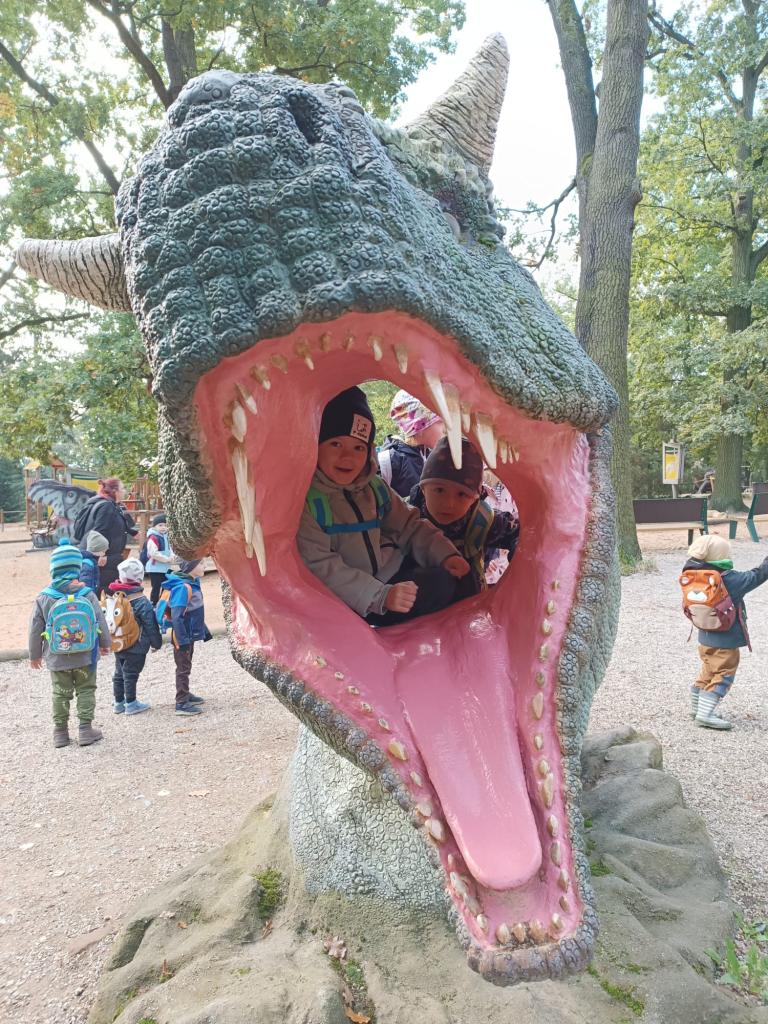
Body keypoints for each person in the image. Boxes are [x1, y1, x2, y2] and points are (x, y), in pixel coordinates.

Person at [297, 386, 470, 626]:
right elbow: (321, 566)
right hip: (358, 597)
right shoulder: (309, 501)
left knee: (462, 578)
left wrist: (445, 555)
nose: (348, 457)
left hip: (393, 573)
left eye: (358, 447)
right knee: (439, 586)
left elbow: (410, 526)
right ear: (315, 446)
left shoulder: (373, 488)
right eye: (336, 444)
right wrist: (380, 596)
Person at [409, 436, 520, 599]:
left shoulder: (481, 520)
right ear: (423, 488)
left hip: (469, 607)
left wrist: (520, 563)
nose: (449, 503)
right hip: (417, 607)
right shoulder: (405, 518)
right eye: (439, 490)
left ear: (475, 498)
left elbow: (519, 532)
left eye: (462, 494)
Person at [28, 540, 111, 748]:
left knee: (60, 693)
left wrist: (34, 655)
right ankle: (85, 730)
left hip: (57, 658)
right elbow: (100, 620)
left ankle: (60, 733)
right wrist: (105, 643)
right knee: (86, 689)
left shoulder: (44, 597)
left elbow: (35, 628)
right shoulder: (87, 594)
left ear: (53, 569)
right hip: (86, 656)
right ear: (77, 569)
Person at [682, 533, 768, 730]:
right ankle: (705, 714)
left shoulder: (691, 575)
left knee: (708, 671)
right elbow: (758, 575)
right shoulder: (729, 579)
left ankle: (697, 708)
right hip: (726, 642)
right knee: (723, 674)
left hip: (704, 637)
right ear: (720, 556)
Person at [107, 557, 162, 716]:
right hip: (137, 645)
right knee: (130, 674)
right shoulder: (141, 601)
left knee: (119, 673)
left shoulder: (116, 597)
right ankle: (131, 703)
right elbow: (150, 624)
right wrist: (156, 643)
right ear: (140, 577)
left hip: (119, 642)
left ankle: (119, 702)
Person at [158, 559, 211, 716]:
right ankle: (181, 702)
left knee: (186, 665)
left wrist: (203, 630)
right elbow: (177, 616)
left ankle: (185, 693)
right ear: (190, 568)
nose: (205, 566)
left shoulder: (193, 583)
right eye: (201, 564)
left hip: (189, 634)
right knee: (183, 667)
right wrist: (182, 641)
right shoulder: (183, 588)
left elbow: (195, 611)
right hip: (183, 636)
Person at [73, 478, 139, 595]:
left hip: (105, 556)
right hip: (104, 559)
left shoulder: (107, 504)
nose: (124, 491)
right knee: (104, 593)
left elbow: (114, 523)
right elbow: (99, 531)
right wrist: (100, 555)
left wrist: (133, 532)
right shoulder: (107, 506)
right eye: (122, 488)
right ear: (115, 491)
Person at [377, 390, 444, 498]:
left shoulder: (432, 458)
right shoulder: (390, 462)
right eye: (440, 422)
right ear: (419, 426)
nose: (445, 428)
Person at [482, 469, 520, 586]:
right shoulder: (486, 499)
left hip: (507, 572)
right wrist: (487, 560)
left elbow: (515, 532)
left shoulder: (512, 494)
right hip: (489, 575)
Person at [143, 514, 176, 606]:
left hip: (166, 567)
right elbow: (153, 553)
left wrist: (172, 556)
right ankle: (153, 604)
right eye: (160, 525)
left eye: (165, 525)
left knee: (166, 586)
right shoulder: (153, 537)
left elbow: (171, 548)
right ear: (154, 526)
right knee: (156, 587)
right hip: (155, 568)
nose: (163, 527)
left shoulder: (167, 536)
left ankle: (163, 604)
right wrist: (166, 559)